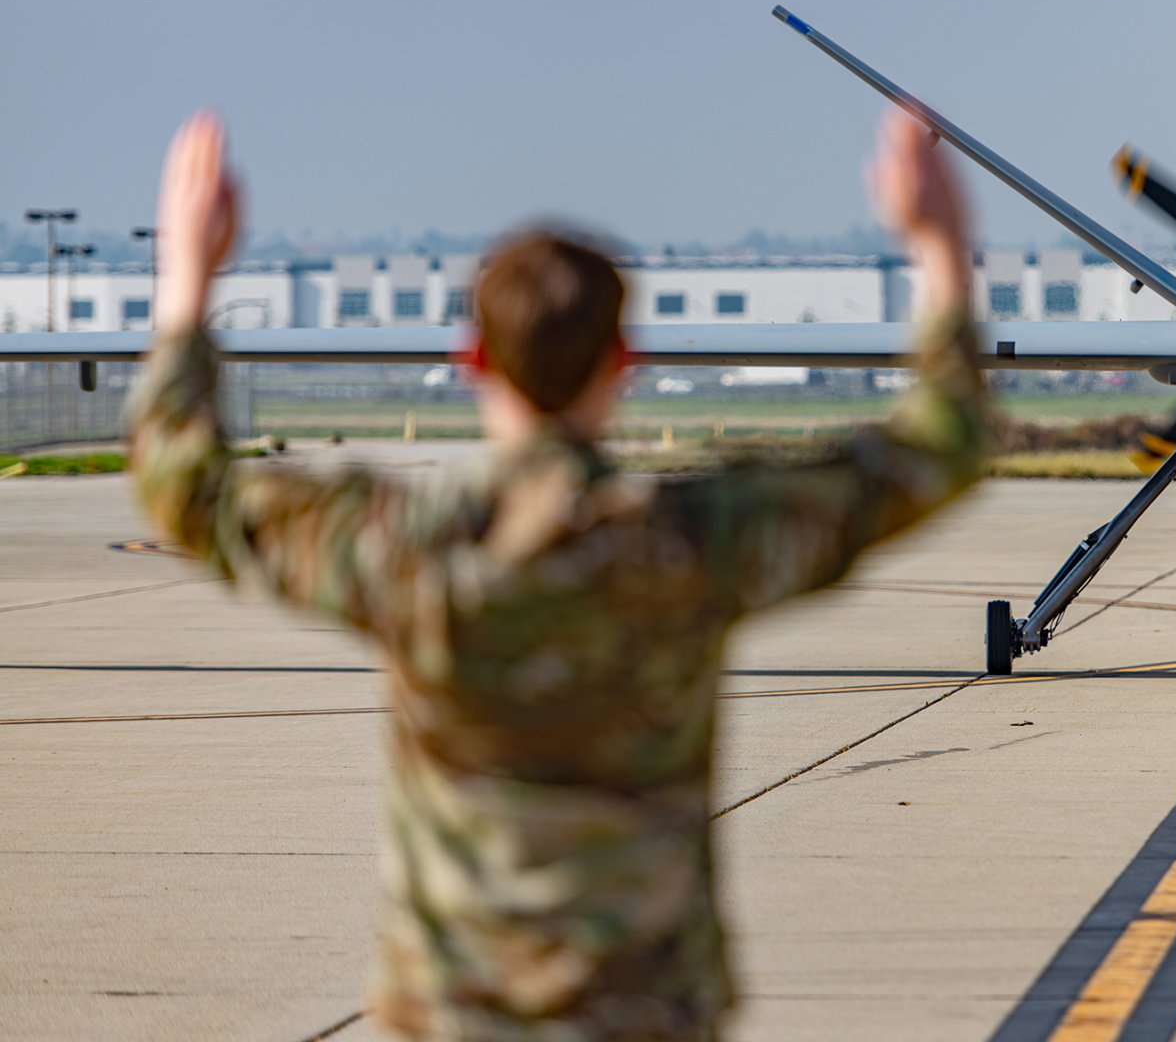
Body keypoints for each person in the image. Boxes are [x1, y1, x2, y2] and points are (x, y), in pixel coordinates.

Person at [129, 108, 987, 1040]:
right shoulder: (694, 543)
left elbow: (185, 483)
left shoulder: (406, 546)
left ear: (472, 360)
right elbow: (938, 447)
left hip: (458, 1013)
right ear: (624, 361)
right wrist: (940, 252)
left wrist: (186, 283)